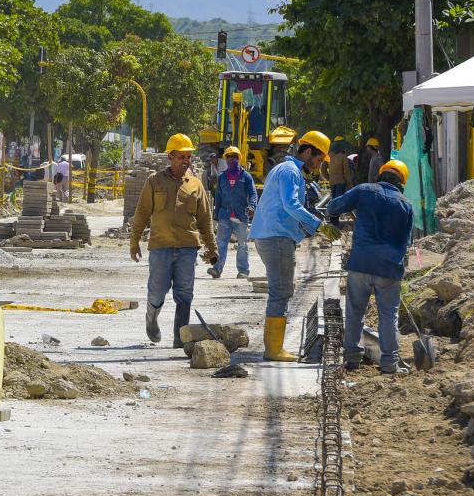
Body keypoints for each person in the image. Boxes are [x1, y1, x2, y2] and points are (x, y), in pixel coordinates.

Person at [130, 134, 219, 348]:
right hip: (161, 247)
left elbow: (205, 220)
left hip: (188, 249)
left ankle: (180, 339)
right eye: (181, 157)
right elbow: (142, 212)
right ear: (170, 157)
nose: (186, 161)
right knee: (157, 291)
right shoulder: (154, 181)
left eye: (188, 156)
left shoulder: (196, 186)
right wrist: (134, 241)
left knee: (185, 294)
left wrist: (212, 248)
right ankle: (151, 318)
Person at [249, 130, 331, 362]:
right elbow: (291, 205)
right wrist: (318, 224)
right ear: (307, 152)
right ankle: (274, 350)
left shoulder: (284, 169)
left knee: (280, 291)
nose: (317, 165)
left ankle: (274, 347)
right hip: (276, 238)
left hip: (273, 236)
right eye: (317, 159)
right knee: (281, 292)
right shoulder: (290, 171)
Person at [327, 160, 414, 374]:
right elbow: (407, 242)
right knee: (388, 316)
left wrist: (338, 217)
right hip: (390, 269)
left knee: (355, 312)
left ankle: (352, 360)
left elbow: (333, 206)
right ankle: (389, 363)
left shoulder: (364, 191)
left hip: (361, 264)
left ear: (380, 175)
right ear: (402, 183)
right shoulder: (406, 204)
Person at [208, 146, 257, 280]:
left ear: (239, 158)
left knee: (242, 245)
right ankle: (217, 269)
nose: (231, 159)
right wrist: (216, 213)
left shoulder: (246, 176)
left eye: (234, 156)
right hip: (225, 216)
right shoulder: (222, 177)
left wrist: (252, 206)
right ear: (225, 159)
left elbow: (253, 193)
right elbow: (218, 195)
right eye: (228, 157)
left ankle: (243, 271)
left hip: (241, 216)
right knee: (221, 244)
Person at [324, 136, 353, 201]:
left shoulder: (328, 156)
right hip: (341, 183)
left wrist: (329, 178)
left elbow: (323, 169)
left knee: (334, 200)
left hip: (332, 182)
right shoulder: (343, 156)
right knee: (339, 201)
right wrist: (350, 184)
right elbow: (346, 172)